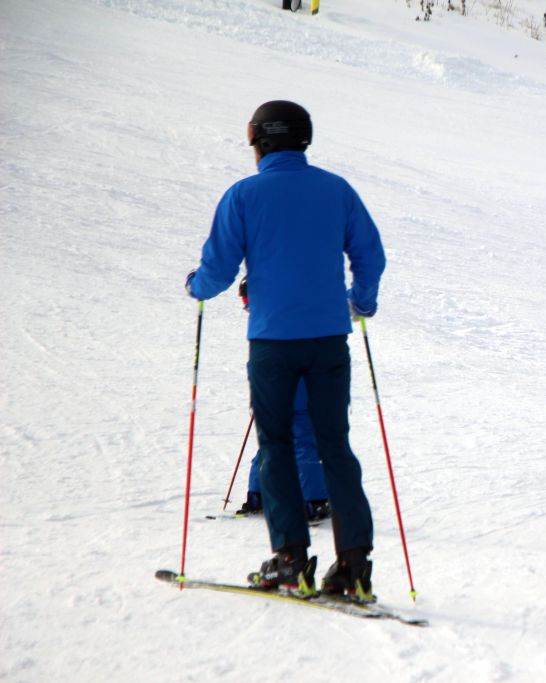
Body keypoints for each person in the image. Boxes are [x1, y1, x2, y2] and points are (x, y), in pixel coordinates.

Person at [185, 100, 386, 601]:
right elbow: (371, 255)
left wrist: (197, 287)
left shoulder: (244, 195)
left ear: (258, 139)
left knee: (275, 445)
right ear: (304, 138)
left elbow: (218, 271)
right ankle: (353, 567)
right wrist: (360, 301)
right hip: (327, 340)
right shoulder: (337, 191)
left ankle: (291, 562)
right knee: (334, 444)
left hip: (273, 342)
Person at [234, 278, 330, 523]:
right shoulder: (289, 312)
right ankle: (314, 502)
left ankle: (259, 495)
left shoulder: (260, 322)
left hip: (266, 384)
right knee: (303, 439)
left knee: (271, 440)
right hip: (295, 387)